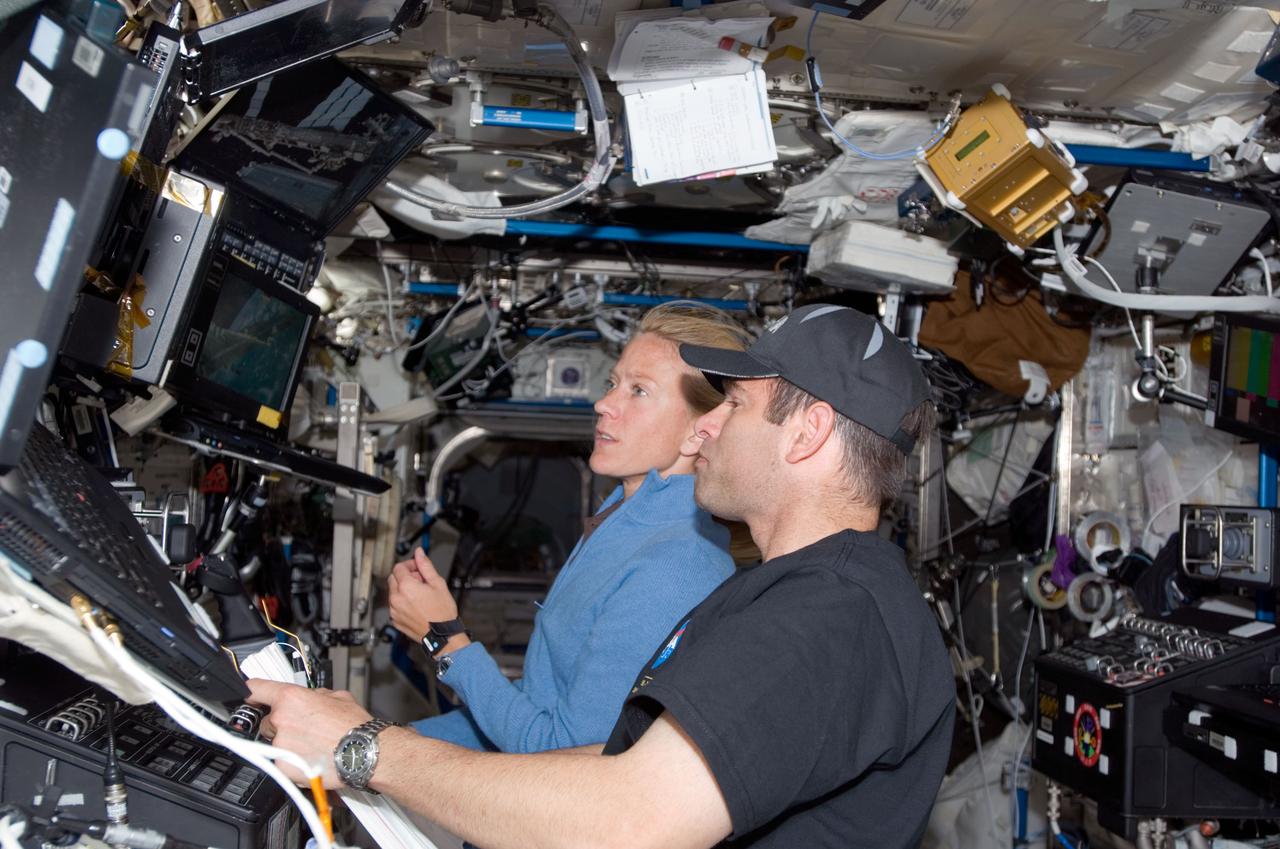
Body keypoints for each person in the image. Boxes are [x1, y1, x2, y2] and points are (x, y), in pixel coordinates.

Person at [249, 303, 955, 849]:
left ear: (808, 433)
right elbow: (619, 756)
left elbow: (628, 819)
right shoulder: (791, 593)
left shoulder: (828, 616)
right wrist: (375, 740)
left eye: (734, 404)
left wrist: (366, 747)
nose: (706, 428)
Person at [384, 304, 750, 753]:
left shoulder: (676, 565)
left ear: (700, 432)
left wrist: (444, 638)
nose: (604, 403)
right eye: (614, 383)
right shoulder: (621, 519)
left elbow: (566, 754)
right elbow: (539, 704)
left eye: (639, 390)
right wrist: (381, 739)